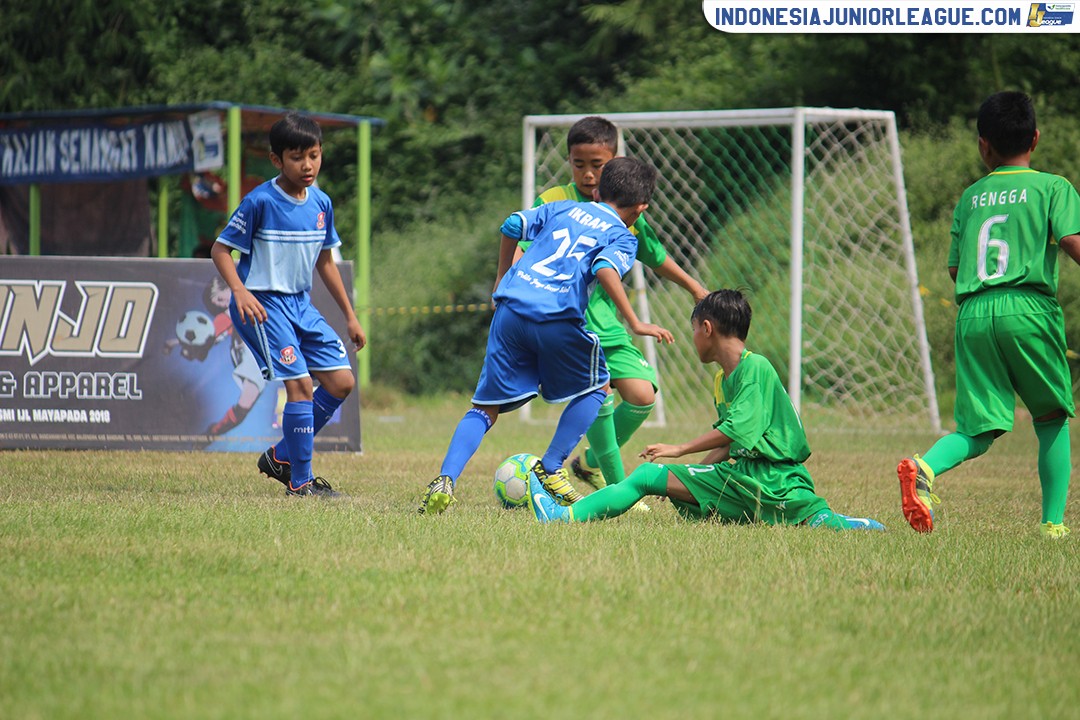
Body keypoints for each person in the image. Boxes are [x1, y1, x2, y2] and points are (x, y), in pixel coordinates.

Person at [418, 157, 675, 515]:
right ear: (640, 208)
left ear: (600, 190)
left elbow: (511, 225)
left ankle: (445, 479)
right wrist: (634, 321)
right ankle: (552, 468)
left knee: (484, 408)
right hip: (554, 315)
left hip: (511, 310)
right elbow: (603, 268)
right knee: (598, 387)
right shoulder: (621, 234)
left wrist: (500, 280)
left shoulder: (564, 207)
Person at [525, 289, 885, 531]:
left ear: (708, 329)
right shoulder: (723, 379)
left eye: (695, 329)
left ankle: (561, 517)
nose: (694, 337)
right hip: (748, 478)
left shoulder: (755, 368)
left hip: (773, 481)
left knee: (645, 478)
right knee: (802, 519)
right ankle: (842, 521)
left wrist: (679, 451)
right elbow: (731, 442)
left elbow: (736, 431)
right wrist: (692, 473)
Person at [897, 91, 1080, 538]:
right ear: (1035, 138)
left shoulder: (971, 197)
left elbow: (958, 268)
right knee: (1050, 417)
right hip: (1028, 309)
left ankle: (924, 465)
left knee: (979, 428)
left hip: (974, 313)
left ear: (983, 145)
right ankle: (1052, 524)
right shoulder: (1053, 187)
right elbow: (1072, 242)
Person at [521, 116, 708, 493]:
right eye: (579, 164)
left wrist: (693, 287)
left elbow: (653, 255)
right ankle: (619, 489)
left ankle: (589, 463)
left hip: (606, 320)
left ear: (614, 161)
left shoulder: (626, 207)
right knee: (599, 393)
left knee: (642, 394)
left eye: (598, 165)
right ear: (569, 161)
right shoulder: (554, 201)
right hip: (567, 319)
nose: (588, 175)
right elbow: (525, 248)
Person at [210, 113, 366, 497]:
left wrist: (350, 316)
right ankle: (301, 482)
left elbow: (325, 261)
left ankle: (282, 456)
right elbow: (220, 249)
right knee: (299, 387)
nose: (307, 165)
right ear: (277, 160)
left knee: (341, 382)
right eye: (297, 157)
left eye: (313, 155)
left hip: (300, 305)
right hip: (261, 305)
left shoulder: (322, 204)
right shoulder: (260, 201)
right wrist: (239, 291)